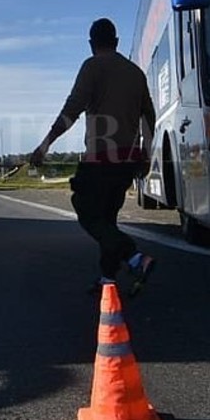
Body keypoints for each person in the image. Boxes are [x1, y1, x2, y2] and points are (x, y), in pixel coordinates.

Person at [30, 17, 157, 295]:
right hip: (128, 160)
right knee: (107, 219)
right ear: (117, 42)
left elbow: (72, 109)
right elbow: (149, 115)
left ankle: (136, 258)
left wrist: (45, 144)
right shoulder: (136, 73)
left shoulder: (92, 66)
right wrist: (146, 154)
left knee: (86, 211)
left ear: (91, 44)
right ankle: (107, 281)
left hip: (101, 158)